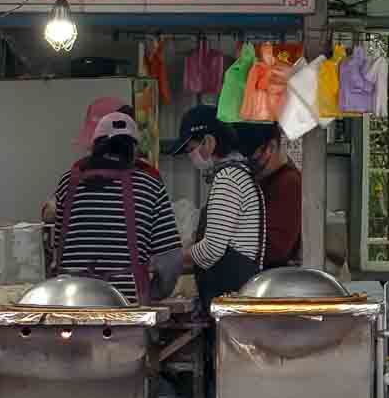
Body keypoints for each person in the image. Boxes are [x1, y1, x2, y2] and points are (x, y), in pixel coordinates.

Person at [49, 106, 180, 304]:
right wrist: (154, 293)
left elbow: (58, 245)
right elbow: (170, 259)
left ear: (95, 145)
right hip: (126, 306)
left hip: (70, 302)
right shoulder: (150, 185)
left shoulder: (67, 182)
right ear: (133, 148)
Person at [167, 104, 268, 306]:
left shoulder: (228, 179)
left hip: (232, 299)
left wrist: (174, 259)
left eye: (190, 148)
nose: (191, 156)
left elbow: (212, 249)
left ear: (209, 142)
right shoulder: (239, 174)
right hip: (236, 296)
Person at [242, 123, 303, 270]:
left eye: (253, 157)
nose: (249, 164)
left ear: (271, 148)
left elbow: (276, 249)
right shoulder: (265, 180)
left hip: (273, 277)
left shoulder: (288, 183)